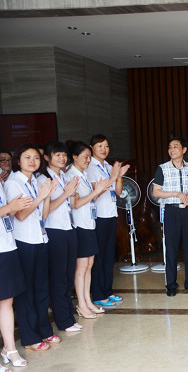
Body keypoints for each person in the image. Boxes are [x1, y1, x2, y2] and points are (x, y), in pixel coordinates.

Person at [4, 144, 59, 351]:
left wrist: (47, 195)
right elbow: (20, 215)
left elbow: (43, 215)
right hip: (24, 242)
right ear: (18, 161)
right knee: (26, 292)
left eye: (36, 158)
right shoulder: (13, 183)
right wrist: (41, 196)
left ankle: (44, 330)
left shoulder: (35, 180)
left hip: (40, 239)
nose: (32, 161)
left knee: (41, 289)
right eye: (27, 157)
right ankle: (30, 337)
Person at [67, 142, 112, 319]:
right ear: (74, 157)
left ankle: (87, 300)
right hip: (80, 225)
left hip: (89, 223)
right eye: (85, 157)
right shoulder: (72, 176)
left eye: (88, 157)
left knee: (89, 264)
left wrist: (98, 191)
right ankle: (81, 304)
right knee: (82, 267)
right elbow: (75, 203)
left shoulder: (83, 174)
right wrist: (96, 191)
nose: (88, 160)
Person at [153, 137, 188, 297]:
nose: (172, 149)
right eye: (170, 147)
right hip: (172, 211)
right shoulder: (162, 168)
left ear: (184, 150)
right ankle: (171, 285)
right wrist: (176, 194)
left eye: (175, 146)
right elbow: (156, 192)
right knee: (171, 248)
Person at [42, 141, 82, 332]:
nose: (62, 158)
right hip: (54, 230)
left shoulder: (65, 176)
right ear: (47, 157)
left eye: (64, 155)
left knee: (68, 275)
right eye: (57, 155)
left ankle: (69, 317)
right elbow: (46, 210)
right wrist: (66, 193)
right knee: (58, 277)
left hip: (69, 228)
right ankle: (63, 320)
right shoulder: (44, 179)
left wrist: (72, 193)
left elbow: (72, 205)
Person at [87, 134, 129, 307]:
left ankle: (107, 290)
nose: (104, 149)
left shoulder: (108, 166)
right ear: (92, 148)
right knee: (98, 257)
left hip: (111, 215)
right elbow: (95, 192)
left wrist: (119, 176)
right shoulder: (90, 167)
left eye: (106, 146)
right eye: (100, 146)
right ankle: (98, 294)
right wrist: (113, 177)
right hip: (98, 217)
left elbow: (118, 192)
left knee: (108, 256)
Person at [0, 174, 33, 372]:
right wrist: (9, 208)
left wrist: (13, 208)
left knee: (7, 300)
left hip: (6, 246)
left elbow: (8, 214)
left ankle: (10, 349)